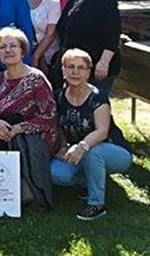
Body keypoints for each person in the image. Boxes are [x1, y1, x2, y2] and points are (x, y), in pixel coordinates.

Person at [51, 48, 133, 221]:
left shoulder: (98, 97)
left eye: (81, 68)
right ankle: (88, 181)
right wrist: (64, 145)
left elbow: (102, 131)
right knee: (56, 173)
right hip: (79, 151)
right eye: (70, 67)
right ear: (63, 70)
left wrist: (82, 146)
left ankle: (97, 204)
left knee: (94, 153)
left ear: (88, 73)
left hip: (113, 150)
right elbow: (59, 126)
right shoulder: (58, 97)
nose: (75, 72)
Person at [0, 27, 60, 207]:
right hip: (5, 134)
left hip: (36, 138)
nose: (8, 50)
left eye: (13, 46)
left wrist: (19, 129)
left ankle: (28, 190)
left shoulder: (36, 79)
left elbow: (50, 117)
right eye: (3, 47)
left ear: (23, 50)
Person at [55, 0, 121, 95]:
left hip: (95, 66)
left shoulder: (105, 2)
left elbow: (113, 35)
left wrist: (104, 63)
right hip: (75, 65)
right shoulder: (76, 0)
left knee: (94, 102)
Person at [26, 0, 62, 71]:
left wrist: (36, 56)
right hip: (25, 52)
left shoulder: (53, 3)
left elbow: (51, 34)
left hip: (48, 57)